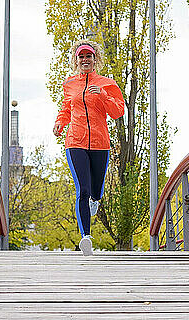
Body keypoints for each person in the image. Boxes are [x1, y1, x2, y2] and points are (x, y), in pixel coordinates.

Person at [53, 40, 124, 256]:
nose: (85, 60)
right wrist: (59, 122)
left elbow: (118, 111)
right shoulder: (69, 84)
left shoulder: (107, 83)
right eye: (81, 56)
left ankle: (96, 200)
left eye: (89, 56)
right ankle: (86, 238)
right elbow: (66, 109)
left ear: (95, 60)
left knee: (96, 190)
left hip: (101, 143)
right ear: (76, 60)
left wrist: (102, 94)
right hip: (75, 141)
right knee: (82, 189)